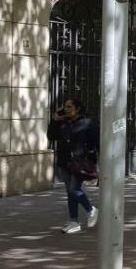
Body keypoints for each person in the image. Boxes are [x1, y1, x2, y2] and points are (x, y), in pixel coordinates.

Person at [48, 98, 99, 234]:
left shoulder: (88, 122)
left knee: (73, 190)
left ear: (77, 109)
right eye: (65, 107)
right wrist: (55, 120)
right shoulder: (62, 122)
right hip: (65, 162)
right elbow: (51, 136)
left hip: (80, 163)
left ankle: (91, 209)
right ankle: (74, 222)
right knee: (70, 193)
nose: (66, 109)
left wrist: (95, 160)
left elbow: (97, 141)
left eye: (69, 107)